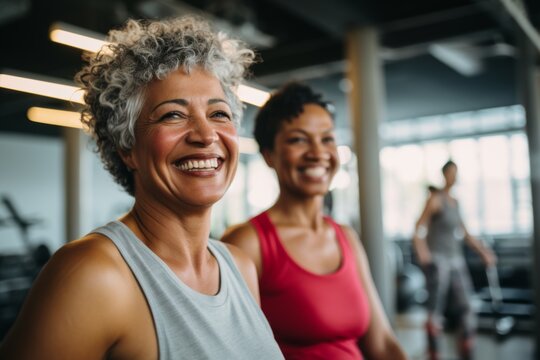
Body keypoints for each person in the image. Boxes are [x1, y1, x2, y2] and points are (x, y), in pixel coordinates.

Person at [0, 16, 284, 360]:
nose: (206, 134)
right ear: (127, 147)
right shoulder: (92, 275)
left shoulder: (239, 267)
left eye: (219, 114)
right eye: (172, 115)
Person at [221, 82, 407, 360]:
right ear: (269, 155)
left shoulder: (345, 237)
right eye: (298, 139)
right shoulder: (248, 243)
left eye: (327, 138)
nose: (318, 152)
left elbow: (382, 344)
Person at [412, 160, 496, 360]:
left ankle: (467, 353)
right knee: (435, 312)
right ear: (445, 174)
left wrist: (483, 252)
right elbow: (418, 229)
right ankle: (434, 354)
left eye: (457, 173)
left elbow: (465, 233)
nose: (455, 177)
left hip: (456, 260)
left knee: (467, 308)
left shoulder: (455, 202)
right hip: (438, 261)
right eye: (452, 173)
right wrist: (423, 253)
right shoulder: (435, 199)